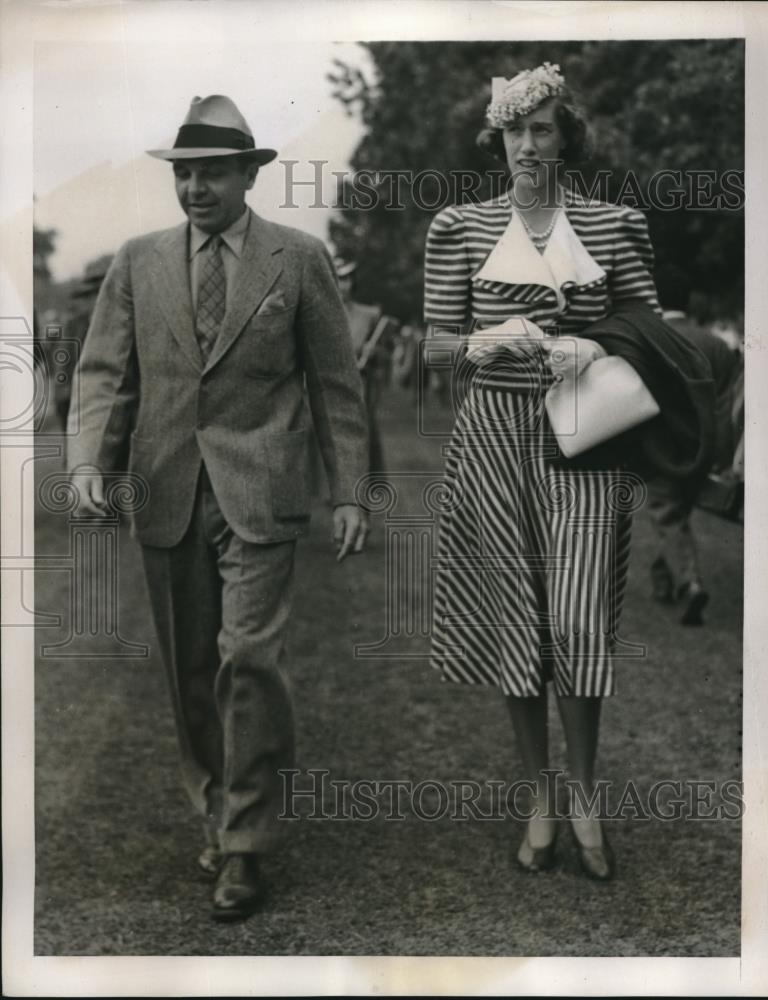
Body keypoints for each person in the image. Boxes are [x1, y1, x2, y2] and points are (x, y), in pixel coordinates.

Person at [68, 94, 369, 921]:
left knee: (250, 659)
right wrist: (90, 460)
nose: (197, 189)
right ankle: (214, 807)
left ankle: (245, 844)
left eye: (213, 174)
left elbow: (335, 385)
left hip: (261, 490)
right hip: (164, 489)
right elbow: (104, 373)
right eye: (185, 175)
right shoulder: (139, 260)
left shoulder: (298, 259)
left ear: (248, 175)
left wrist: (351, 491)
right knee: (190, 670)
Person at [424, 63, 664, 881]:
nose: (529, 145)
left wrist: (597, 342)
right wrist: (481, 343)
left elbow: (651, 330)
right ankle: (539, 798)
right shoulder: (457, 227)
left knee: (578, 616)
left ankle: (587, 794)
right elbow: (433, 344)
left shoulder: (614, 224)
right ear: (498, 139)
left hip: (585, 435)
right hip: (492, 436)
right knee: (518, 620)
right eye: (515, 131)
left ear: (566, 139)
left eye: (544, 130)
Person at [648, 266, 743, 624]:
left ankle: (690, 584)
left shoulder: (652, 339)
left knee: (666, 513)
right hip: (707, 446)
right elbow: (728, 405)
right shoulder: (718, 346)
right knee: (675, 513)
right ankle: (662, 583)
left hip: (663, 445)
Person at [335, 258, 395, 473]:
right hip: (328, 391)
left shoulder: (369, 315)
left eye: (349, 279)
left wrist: (374, 352)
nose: (346, 284)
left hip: (361, 390)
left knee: (364, 448)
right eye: (341, 278)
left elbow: (386, 354)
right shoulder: (318, 314)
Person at [54, 258, 112, 431]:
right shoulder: (73, 325)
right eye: (91, 295)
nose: (96, 300)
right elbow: (62, 361)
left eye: (100, 292)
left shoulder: (120, 322)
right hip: (79, 398)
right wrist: (62, 388)